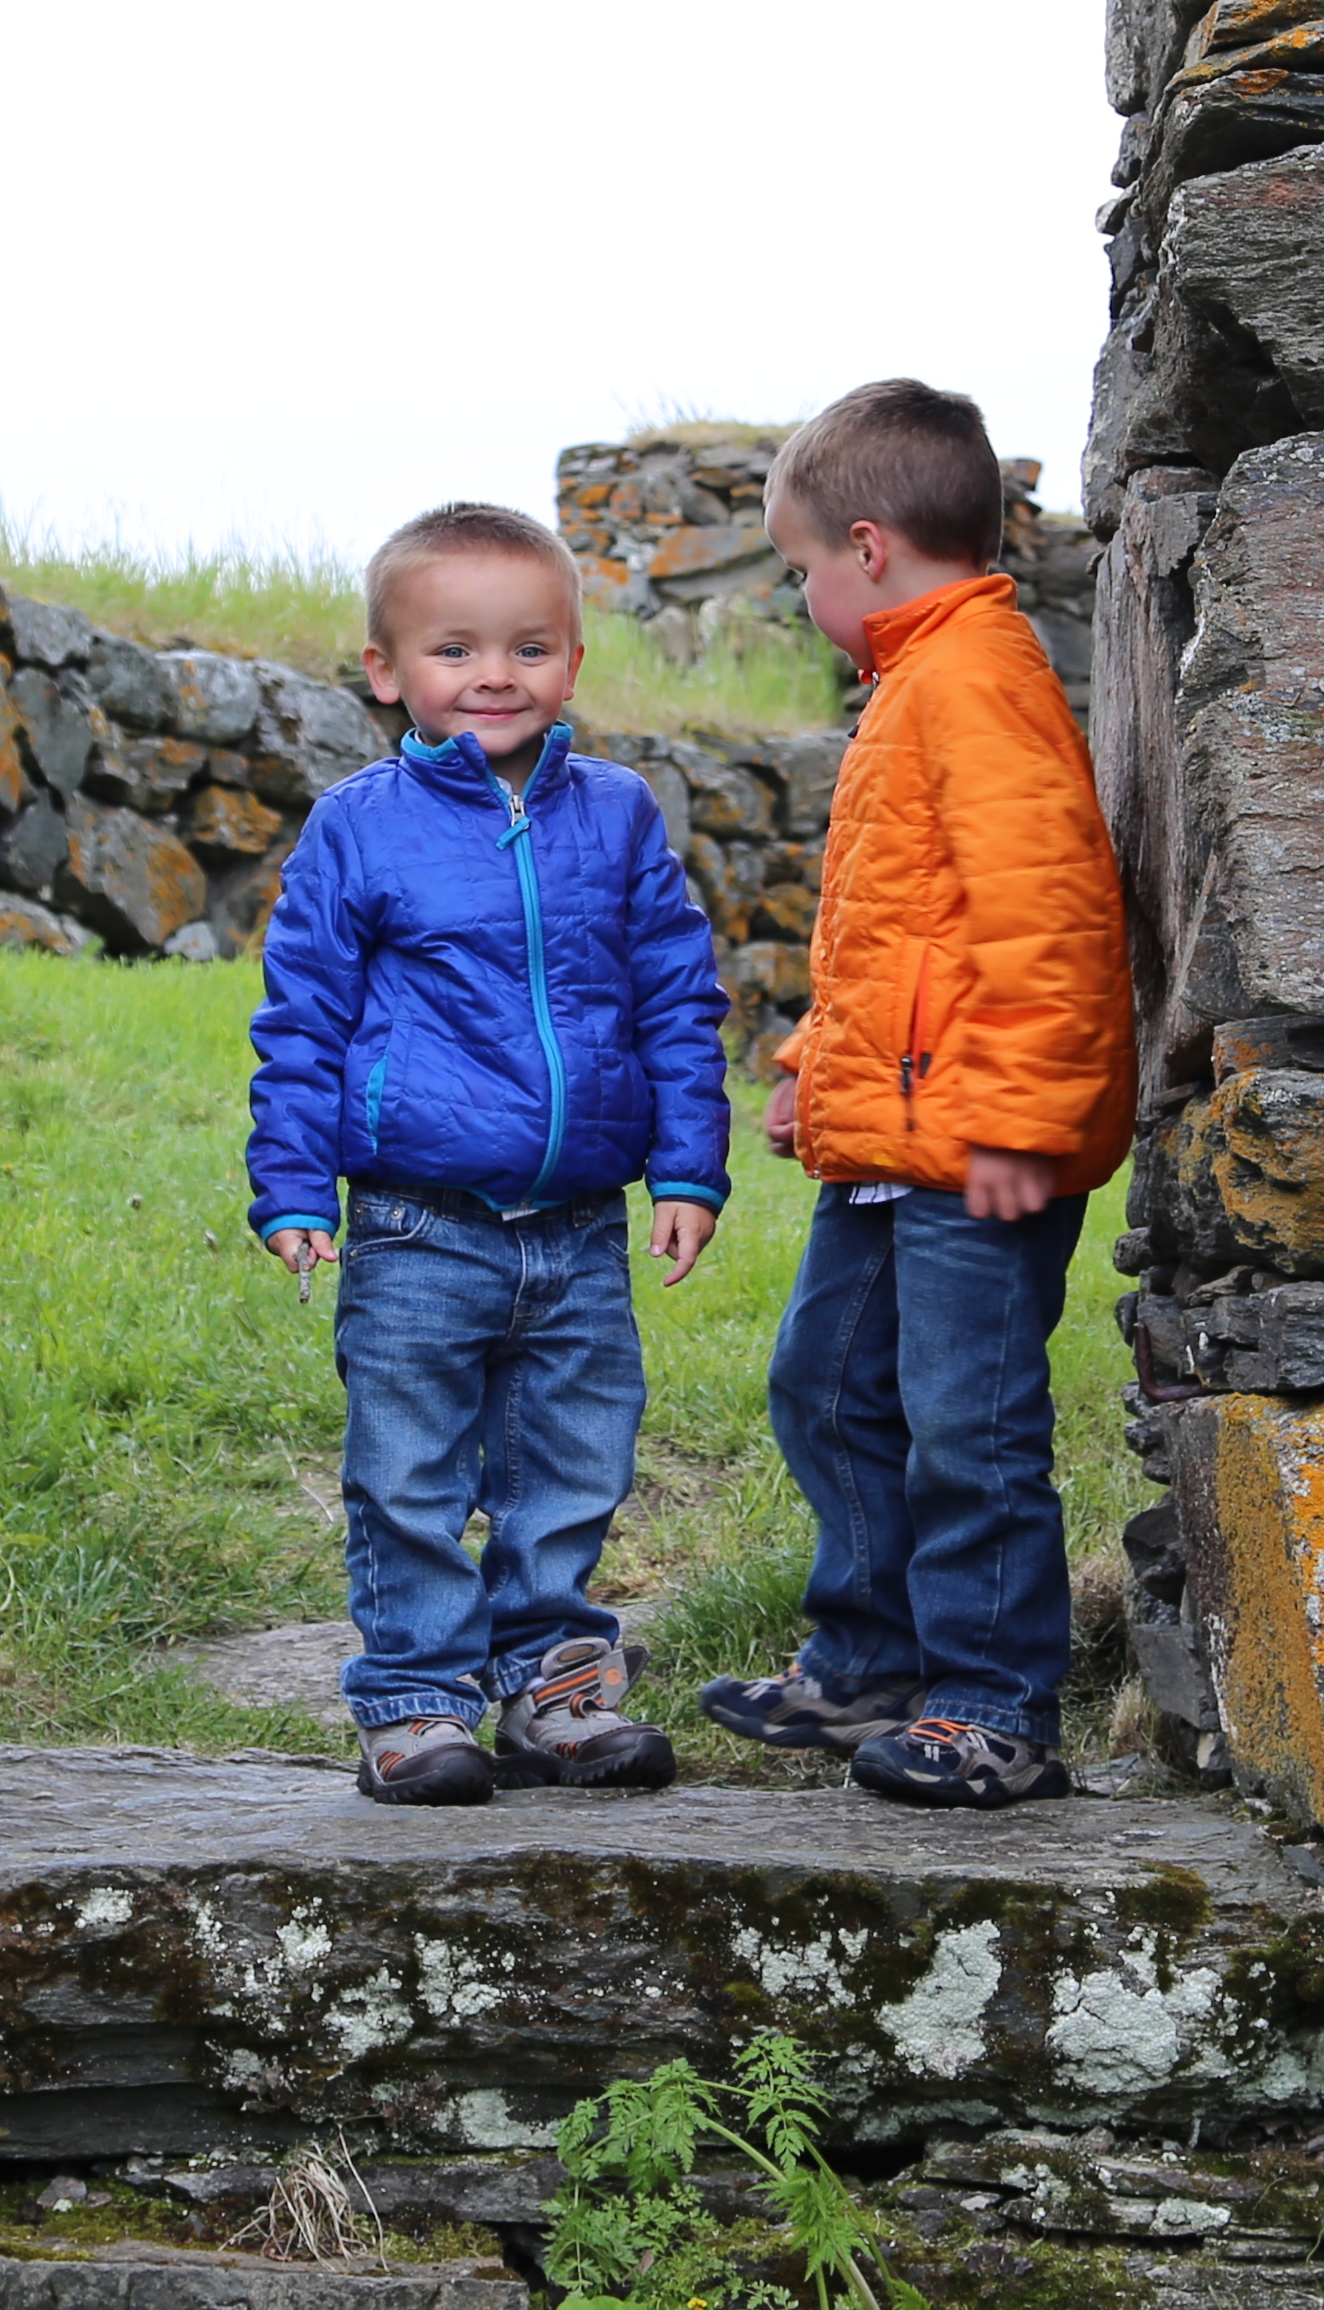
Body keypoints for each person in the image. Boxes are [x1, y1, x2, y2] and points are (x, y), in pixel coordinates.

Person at [246, 498, 733, 1806]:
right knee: (407, 1472)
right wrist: (291, 1184)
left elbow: (677, 998)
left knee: (571, 1466)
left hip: (577, 1230)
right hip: (417, 1225)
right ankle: (413, 1703)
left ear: (573, 661)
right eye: (455, 650)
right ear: (387, 673)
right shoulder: (361, 826)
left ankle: (558, 1690)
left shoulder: (618, 817)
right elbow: (302, 1020)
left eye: (529, 648)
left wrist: (688, 1167)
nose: (494, 678)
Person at [698, 380, 1134, 1809]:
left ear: (868, 547)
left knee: (969, 1427)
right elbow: (903, 935)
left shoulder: (974, 680)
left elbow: (1051, 916)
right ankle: (870, 1660)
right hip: (896, 1139)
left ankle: (995, 1705)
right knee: (825, 1390)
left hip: (976, 1151)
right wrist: (813, 1072)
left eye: (800, 566)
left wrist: (1016, 1118)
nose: (801, 594)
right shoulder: (916, 678)